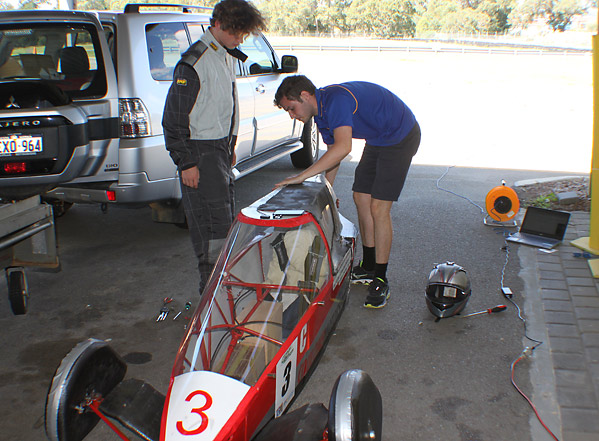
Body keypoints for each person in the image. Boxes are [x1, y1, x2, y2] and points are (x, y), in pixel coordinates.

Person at [274, 76, 420, 309]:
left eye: (291, 108)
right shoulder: (320, 114)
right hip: (379, 139)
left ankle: (381, 278)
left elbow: (345, 147)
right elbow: (334, 154)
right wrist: (325, 192)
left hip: (400, 136)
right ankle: (369, 266)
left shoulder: (336, 101)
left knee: (378, 208)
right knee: (361, 197)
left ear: (305, 95)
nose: (291, 115)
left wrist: (302, 176)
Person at [162, 0, 265, 294]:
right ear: (218, 24)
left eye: (244, 34)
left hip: (218, 150)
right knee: (210, 232)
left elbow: (226, 105)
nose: (241, 39)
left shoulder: (225, 55)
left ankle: (223, 294)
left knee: (225, 225)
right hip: (200, 155)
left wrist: (230, 143)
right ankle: (210, 302)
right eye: (237, 32)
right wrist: (186, 162)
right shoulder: (194, 62)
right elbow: (173, 120)